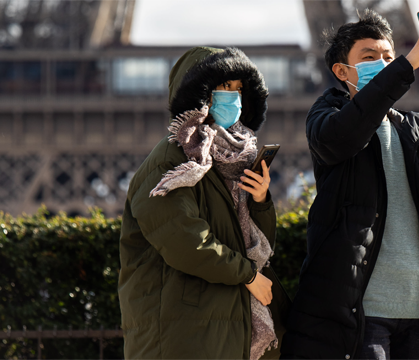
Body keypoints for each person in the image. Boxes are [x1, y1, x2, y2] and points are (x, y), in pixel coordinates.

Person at [281, 10, 419, 360]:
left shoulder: (417, 130)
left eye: (388, 57)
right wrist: (406, 66)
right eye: (369, 57)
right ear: (341, 71)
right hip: (363, 314)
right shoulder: (327, 119)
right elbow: (344, 135)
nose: (382, 63)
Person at [118, 46, 290, 360]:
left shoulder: (233, 163)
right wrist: (248, 276)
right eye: (225, 87)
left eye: (239, 89)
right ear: (198, 92)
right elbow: (185, 241)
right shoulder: (171, 161)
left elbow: (254, 244)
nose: (234, 97)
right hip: (184, 334)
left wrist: (260, 200)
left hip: (220, 329)